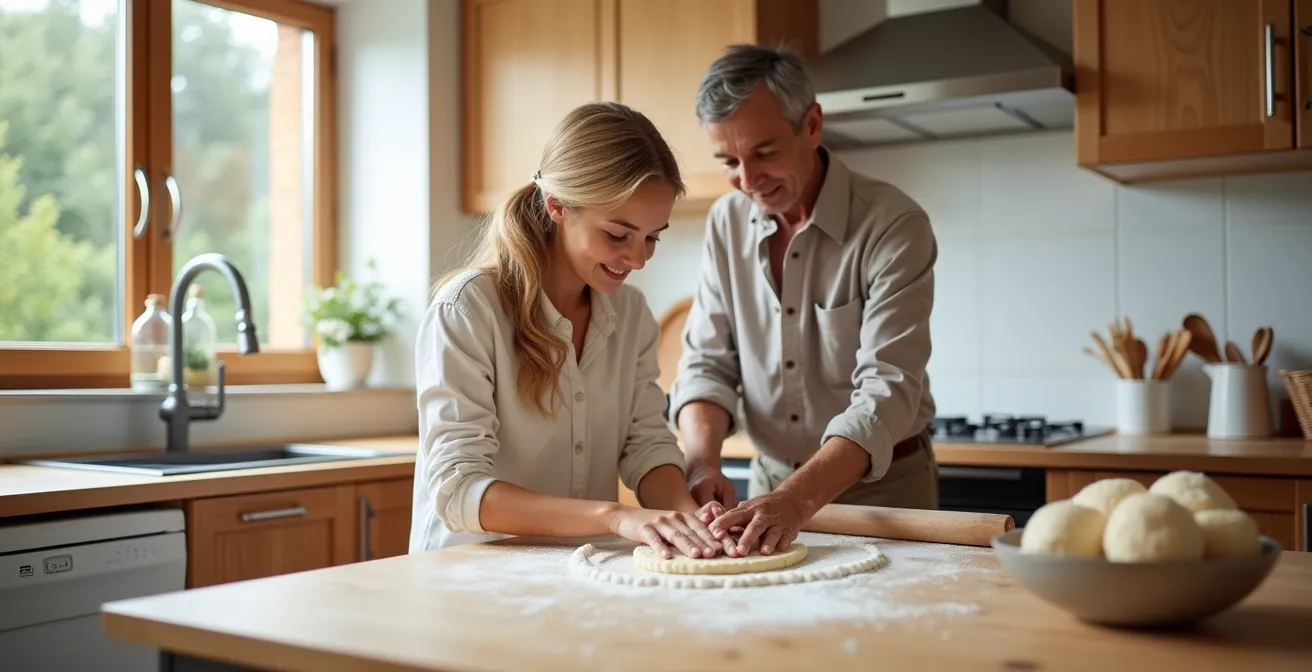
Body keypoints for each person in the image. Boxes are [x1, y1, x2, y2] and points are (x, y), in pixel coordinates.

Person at [410, 101, 727, 561]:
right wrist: (615, 517)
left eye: (652, 237)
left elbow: (645, 444)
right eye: (618, 235)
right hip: (470, 578)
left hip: (579, 573)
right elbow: (459, 490)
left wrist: (690, 520)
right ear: (556, 205)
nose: (638, 260)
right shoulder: (468, 309)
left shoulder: (631, 312)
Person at [669, 44, 940, 558]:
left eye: (764, 152)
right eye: (729, 161)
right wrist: (702, 464)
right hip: (769, 487)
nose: (747, 181)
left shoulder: (893, 226)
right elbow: (707, 364)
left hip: (884, 493)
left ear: (812, 125)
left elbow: (887, 389)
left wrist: (795, 500)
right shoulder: (726, 224)